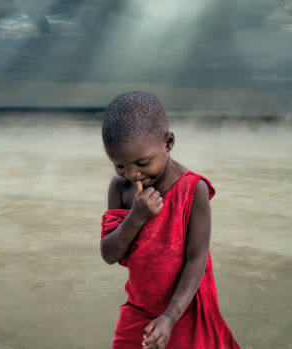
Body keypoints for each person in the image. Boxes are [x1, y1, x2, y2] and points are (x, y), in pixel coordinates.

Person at [100, 91, 240, 349]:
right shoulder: (121, 189)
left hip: (184, 310)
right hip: (139, 308)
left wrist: (169, 317)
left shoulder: (193, 189)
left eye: (142, 162)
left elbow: (196, 260)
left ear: (168, 142)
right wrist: (136, 216)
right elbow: (109, 254)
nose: (132, 174)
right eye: (119, 165)